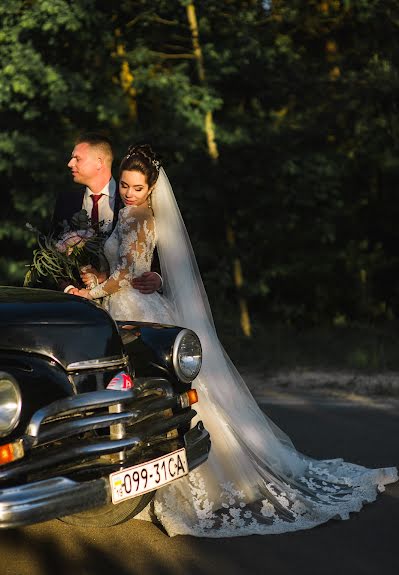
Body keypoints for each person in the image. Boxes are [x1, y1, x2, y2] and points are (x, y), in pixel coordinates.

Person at [76, 144, 397, 537]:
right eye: (124, 185)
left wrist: (91, 294)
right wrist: (94, 277)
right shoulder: (125, 213)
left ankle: (190, 481)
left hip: (136, 308)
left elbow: (128, 272)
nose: (128, 193)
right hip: (126, 304)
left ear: (151, 188)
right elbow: (122, 268)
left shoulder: (140, 218)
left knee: (162, 391)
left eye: (137, 188)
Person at [51, 132, 162, 295]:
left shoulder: (139, 203)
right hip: (77, 302)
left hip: (130, 299)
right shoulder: (66, 201)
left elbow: (163, 252)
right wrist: (68, 289)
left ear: (99, 162)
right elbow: (52, 253)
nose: (70, 163)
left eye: (77, 158)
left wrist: (158, 278)